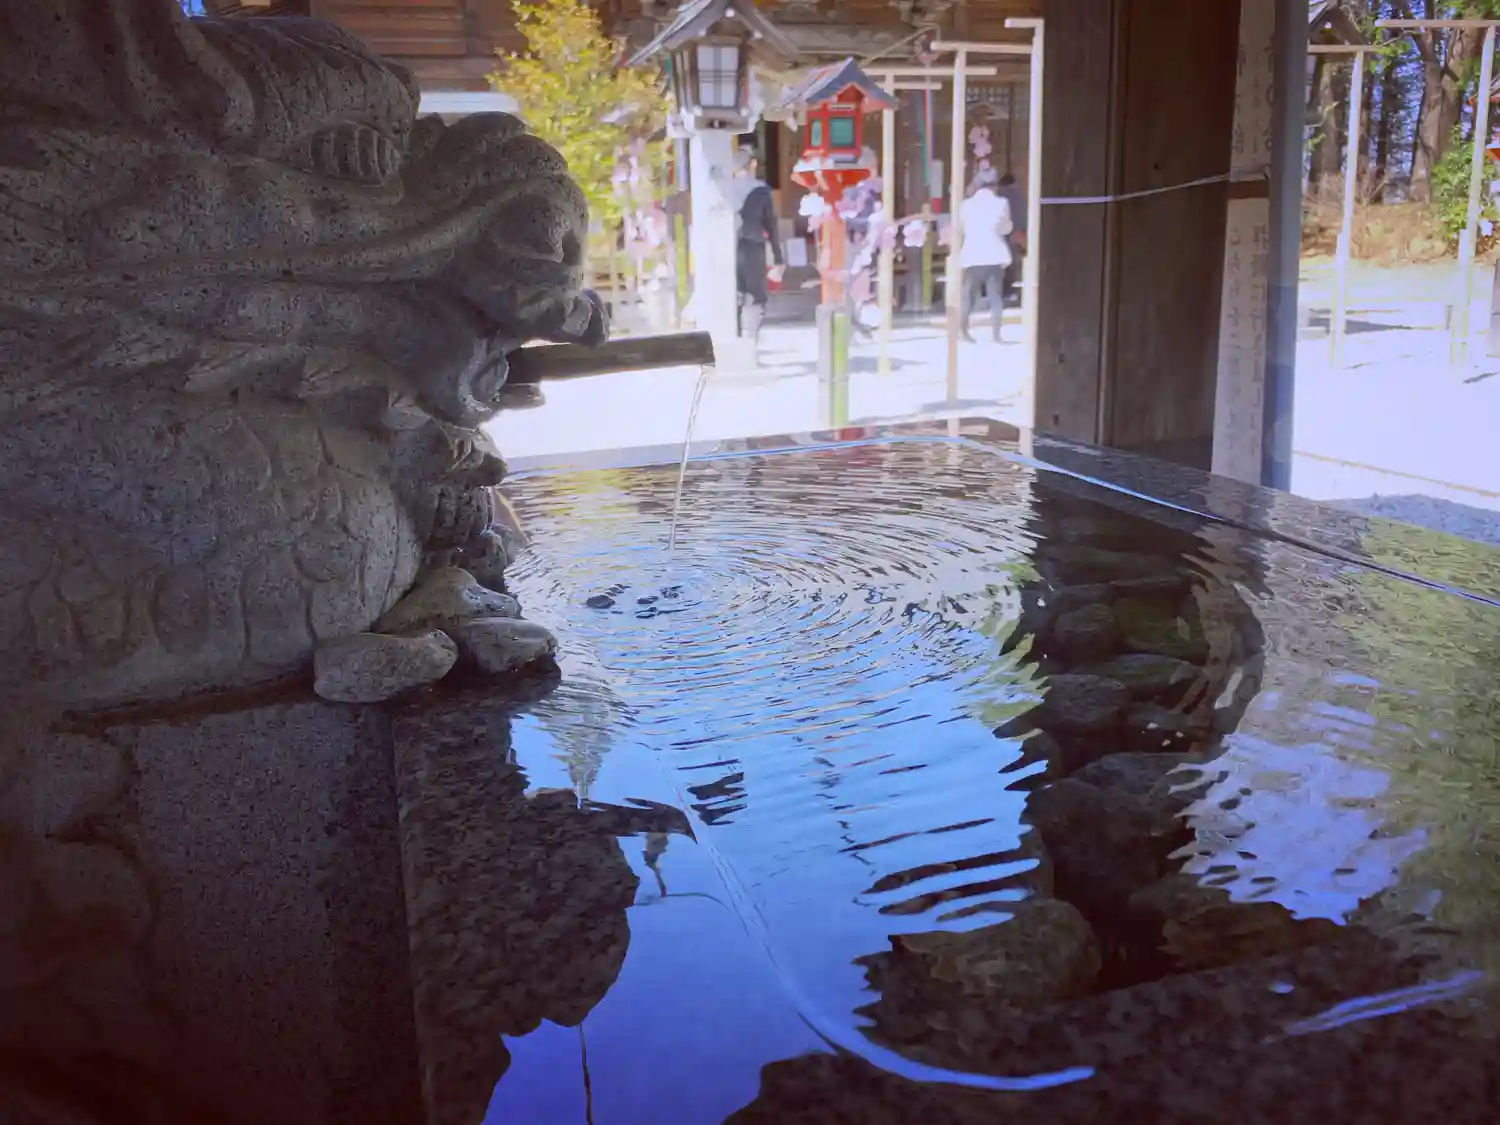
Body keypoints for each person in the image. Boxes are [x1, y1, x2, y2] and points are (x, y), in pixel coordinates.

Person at [728, 148, 784, 349]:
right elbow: (771, 226)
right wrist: (778, 257)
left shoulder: (724, 189)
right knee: (755, 297)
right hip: (753, 247)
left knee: (733, 294)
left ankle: (732, 342)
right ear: (752, 164)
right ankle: (750, 344)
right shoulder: (761, 191)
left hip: (728, 248)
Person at [957, 167, 1013, 343]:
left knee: (968, 295)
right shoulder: (1002, 203)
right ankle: (996, 335)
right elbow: (1005, 228)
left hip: (972, 254)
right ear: (995, 185)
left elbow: (962, 228)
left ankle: (963, 331)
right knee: (995, 296)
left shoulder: (965, 205)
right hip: (994, 252)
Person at [997, 172, 1027, 308]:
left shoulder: (999, 195)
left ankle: (999, 291)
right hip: (1015, 232)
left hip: (1000, 234)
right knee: (1012, 263)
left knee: (999, 264)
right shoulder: (1019, 196)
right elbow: (1023, 214)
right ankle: (1009, 291)